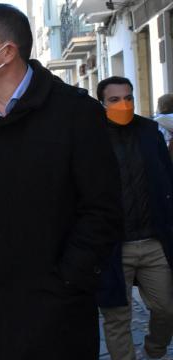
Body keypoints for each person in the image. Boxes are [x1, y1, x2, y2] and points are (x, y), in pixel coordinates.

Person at [0, 4, 123, 359]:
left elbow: (102, 210)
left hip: (53, 320)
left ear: (7, 53)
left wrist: (68, 280)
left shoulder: (76, 113)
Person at [96, 77, 173, 360]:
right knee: (117, 318)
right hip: (114, 246)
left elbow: (167, 178)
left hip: (153, 241)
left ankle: (154, 349)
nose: (123, 104)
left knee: (167, 308)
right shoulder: (91, 137)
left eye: (128, 98)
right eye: (115, 100)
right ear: (102, 103)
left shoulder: (149, 131)